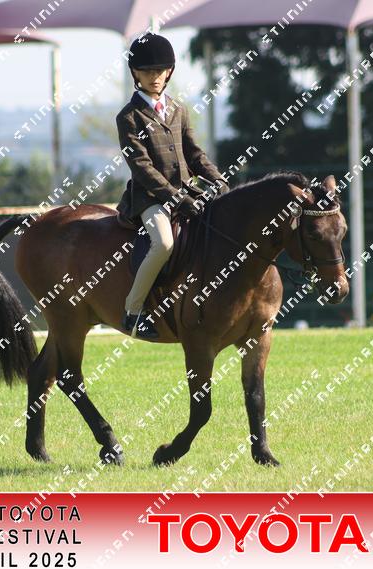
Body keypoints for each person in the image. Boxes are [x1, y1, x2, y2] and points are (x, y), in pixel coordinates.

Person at [116, 32, 229, 339]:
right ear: (135, 73)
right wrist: (177, 198)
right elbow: (142, 168)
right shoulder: (129, 117)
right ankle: (133, 311)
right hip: (149, 198)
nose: (155, 77)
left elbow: (194, 154)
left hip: (186, 192)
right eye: (148, 71)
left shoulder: (178, 109)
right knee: (164, 243)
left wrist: (218, 179)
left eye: (160, 70)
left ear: (169, 72)